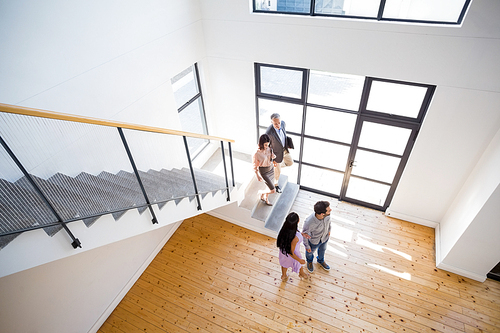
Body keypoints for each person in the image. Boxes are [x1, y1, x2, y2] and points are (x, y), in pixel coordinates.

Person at [277, 212, 309, 281]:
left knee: (284, 264)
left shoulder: (284, 230)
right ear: (298, 221)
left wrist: (302, 234)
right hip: (293, 253)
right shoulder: (295, 238)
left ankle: (284, 275)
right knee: (298, 263)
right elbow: (291, 252)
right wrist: (299, 260)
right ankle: (301, 273)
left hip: (283, 252)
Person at [265, 113, 293, 193]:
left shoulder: (283, 124)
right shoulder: (268, 132)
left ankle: (275, 168)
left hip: (284, 150)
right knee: (278, 172)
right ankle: (276, 185)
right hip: (276, 154)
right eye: (275, 124)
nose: (278, 125)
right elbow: (267, 147)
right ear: (271, 122)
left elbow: (283, 135)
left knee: (290, 162)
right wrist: (272, 158)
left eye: (279, 123)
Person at [302, 201, 332, 273]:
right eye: (328, 209)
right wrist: (307, 247)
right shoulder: (309, 222)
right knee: (309, 253)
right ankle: (309, 262)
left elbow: (329, 222)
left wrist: (329, 230)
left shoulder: (327, 215)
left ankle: (320, 260)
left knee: (323, 250)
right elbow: (304, 234)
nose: (330, 210)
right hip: (314, 242)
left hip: (325, 238)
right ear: (322, 214)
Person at [252, 134, 276, 206]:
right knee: (273, 190)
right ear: (261, 144)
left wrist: (273, 160)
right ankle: (261, 192)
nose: (266, 147)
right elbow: (254, 165)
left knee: (268, 186)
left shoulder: (269, 149)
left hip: (271, 168)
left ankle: (265, 198)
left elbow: (272, 157)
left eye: (267, 145)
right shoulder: (257, 153)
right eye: (265, 145)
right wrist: (257, 175)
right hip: (264, 171)